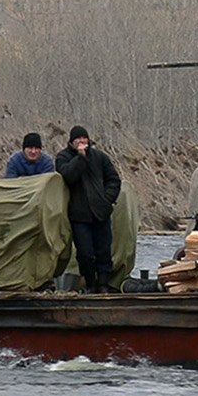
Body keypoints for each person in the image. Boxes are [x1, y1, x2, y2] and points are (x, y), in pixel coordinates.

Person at [55, 125, 122, 292]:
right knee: (85, 254)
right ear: (72, 141)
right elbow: (68, 176)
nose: (83, 141)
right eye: (79, 139)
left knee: (104, 251)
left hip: (101, 212)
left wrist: (106, 200)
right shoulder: (63, 157)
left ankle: (103, 285)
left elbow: (113, 180)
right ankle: (90, 284)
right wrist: (80, 158)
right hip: (79, 214)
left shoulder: (100, 157)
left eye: (85, 138)